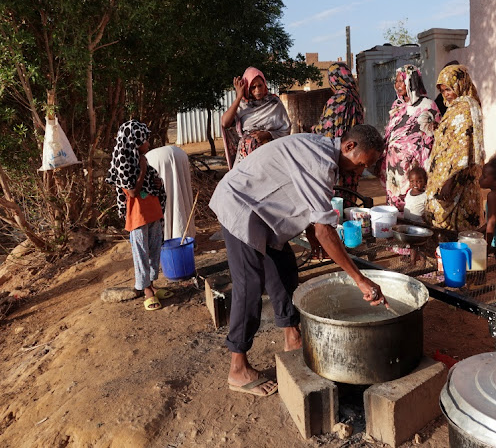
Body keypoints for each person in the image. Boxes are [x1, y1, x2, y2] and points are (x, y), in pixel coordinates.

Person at [209, 124, 387, 397]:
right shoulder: (319, 162)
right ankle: (237, 366)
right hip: (240, 205)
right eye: (363, 163)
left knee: (284, 269)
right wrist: (359, 279)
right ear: (349, 147)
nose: (361, 171)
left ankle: (292, 337)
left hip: (263, 213)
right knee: (250, 284)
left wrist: (311, 234)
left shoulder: (322, 152)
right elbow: (325, 229)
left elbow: (304, 198)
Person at [105, 120, 172, 311]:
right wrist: (143, 170)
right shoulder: (124, 161)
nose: (148, 144)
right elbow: (132, 192)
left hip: (151, 209)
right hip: (137, 214)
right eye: (145, 140)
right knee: (141, 252)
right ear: (134, 139)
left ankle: (151, 284)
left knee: (154, 247)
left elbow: (150, 180)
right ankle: (146, 290)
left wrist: (155, 181)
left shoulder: (138, 157)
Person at [424, 64, 485, 231]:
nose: (446, 94)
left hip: (457, 180)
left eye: (449, 89)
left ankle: (456, 257)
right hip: (445, 176)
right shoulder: (455, 107)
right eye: (443, 91)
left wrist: (451, 180)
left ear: (460, 84)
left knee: (457, 229)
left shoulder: (465, 107)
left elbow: (464, 146)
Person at [380, 65, 440, 211]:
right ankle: (396, 228)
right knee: (394, 201)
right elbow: (390, 131)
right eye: (396, 81)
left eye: (402, 81)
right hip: (393, 164)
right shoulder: (397, 105)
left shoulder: (428, 105)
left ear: (412, 82)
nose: (398, 85)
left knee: (412, 198)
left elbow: (433, 136)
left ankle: (412, 228)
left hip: (413, 165)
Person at [312, 62, 365, 201]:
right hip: (354, 157)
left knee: (334, 199)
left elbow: (325, 133)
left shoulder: (337, 100)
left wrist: (313, 129)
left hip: (337, 157)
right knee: (349, 195)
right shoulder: (357, 99)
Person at [221, 66, 291, 168]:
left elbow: (286, 129)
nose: (258, 90)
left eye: (260, 85)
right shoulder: (242, 106)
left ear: (265, 85)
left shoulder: (274, 103)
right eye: (253, 87)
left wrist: (267, 134)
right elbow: (225, 123)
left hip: (272, 155)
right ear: (247, 88)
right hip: (247, 156)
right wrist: (239, 97)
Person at [146, 145, 195, 241]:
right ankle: (184, 234)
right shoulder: (180, 153)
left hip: (158, 161)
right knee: (182, 192)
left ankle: (167, 236)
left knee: (167, 197)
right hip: (179, 156)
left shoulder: (146, 160)